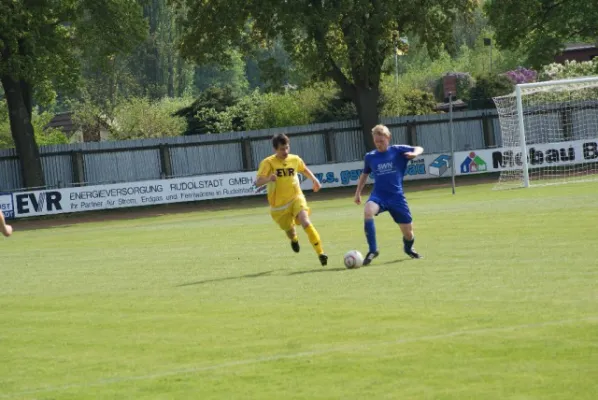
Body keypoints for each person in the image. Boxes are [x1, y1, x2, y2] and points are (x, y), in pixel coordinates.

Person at [354, 124, 424, 265]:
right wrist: (357, 193)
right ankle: (373, 250)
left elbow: (419, 148)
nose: (379, 144)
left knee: (409, 234)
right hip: (379, 196)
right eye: (376, 142)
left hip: (397, 198)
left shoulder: (397, 151)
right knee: (368, 211)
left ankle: (408, 248)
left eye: (382, 141)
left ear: (388, 138)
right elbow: (364, 174)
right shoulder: (370, 157)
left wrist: (415, 154)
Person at [256, 134, 328, 266]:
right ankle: (294, 239)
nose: (285, 152)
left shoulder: (294, 159)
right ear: (275, 149)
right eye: (282, 149)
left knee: (305, 221)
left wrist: (315, 180)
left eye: (287, 148)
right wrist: (269, 179)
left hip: (296, 198)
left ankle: (320, 253)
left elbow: (304, 169)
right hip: (278, 207)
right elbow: (258, 182)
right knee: (290, 231)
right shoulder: (268, 163)